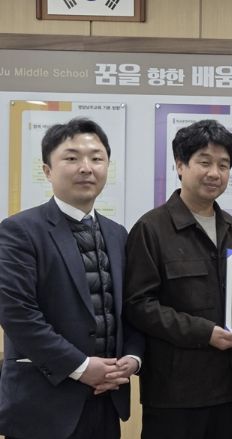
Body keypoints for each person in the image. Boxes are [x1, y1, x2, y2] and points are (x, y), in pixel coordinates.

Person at [0, 118, 144, 439]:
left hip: (106, 399)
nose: (86, 167)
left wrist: (133, 358)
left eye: (96, 158)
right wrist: (81, 367)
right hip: (43, 406)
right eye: (71, 157)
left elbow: (130, 308)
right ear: (47, 170)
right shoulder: (19, 231)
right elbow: (17, 315)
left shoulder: (117, 234)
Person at [124, 119, 232, 439]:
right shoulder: (151, 228)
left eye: (223, 165)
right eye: (204, 162)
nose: (215, 173)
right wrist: (204, 333)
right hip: (175, 395)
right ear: (180, 165)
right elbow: (138, 305)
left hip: (231, 389)